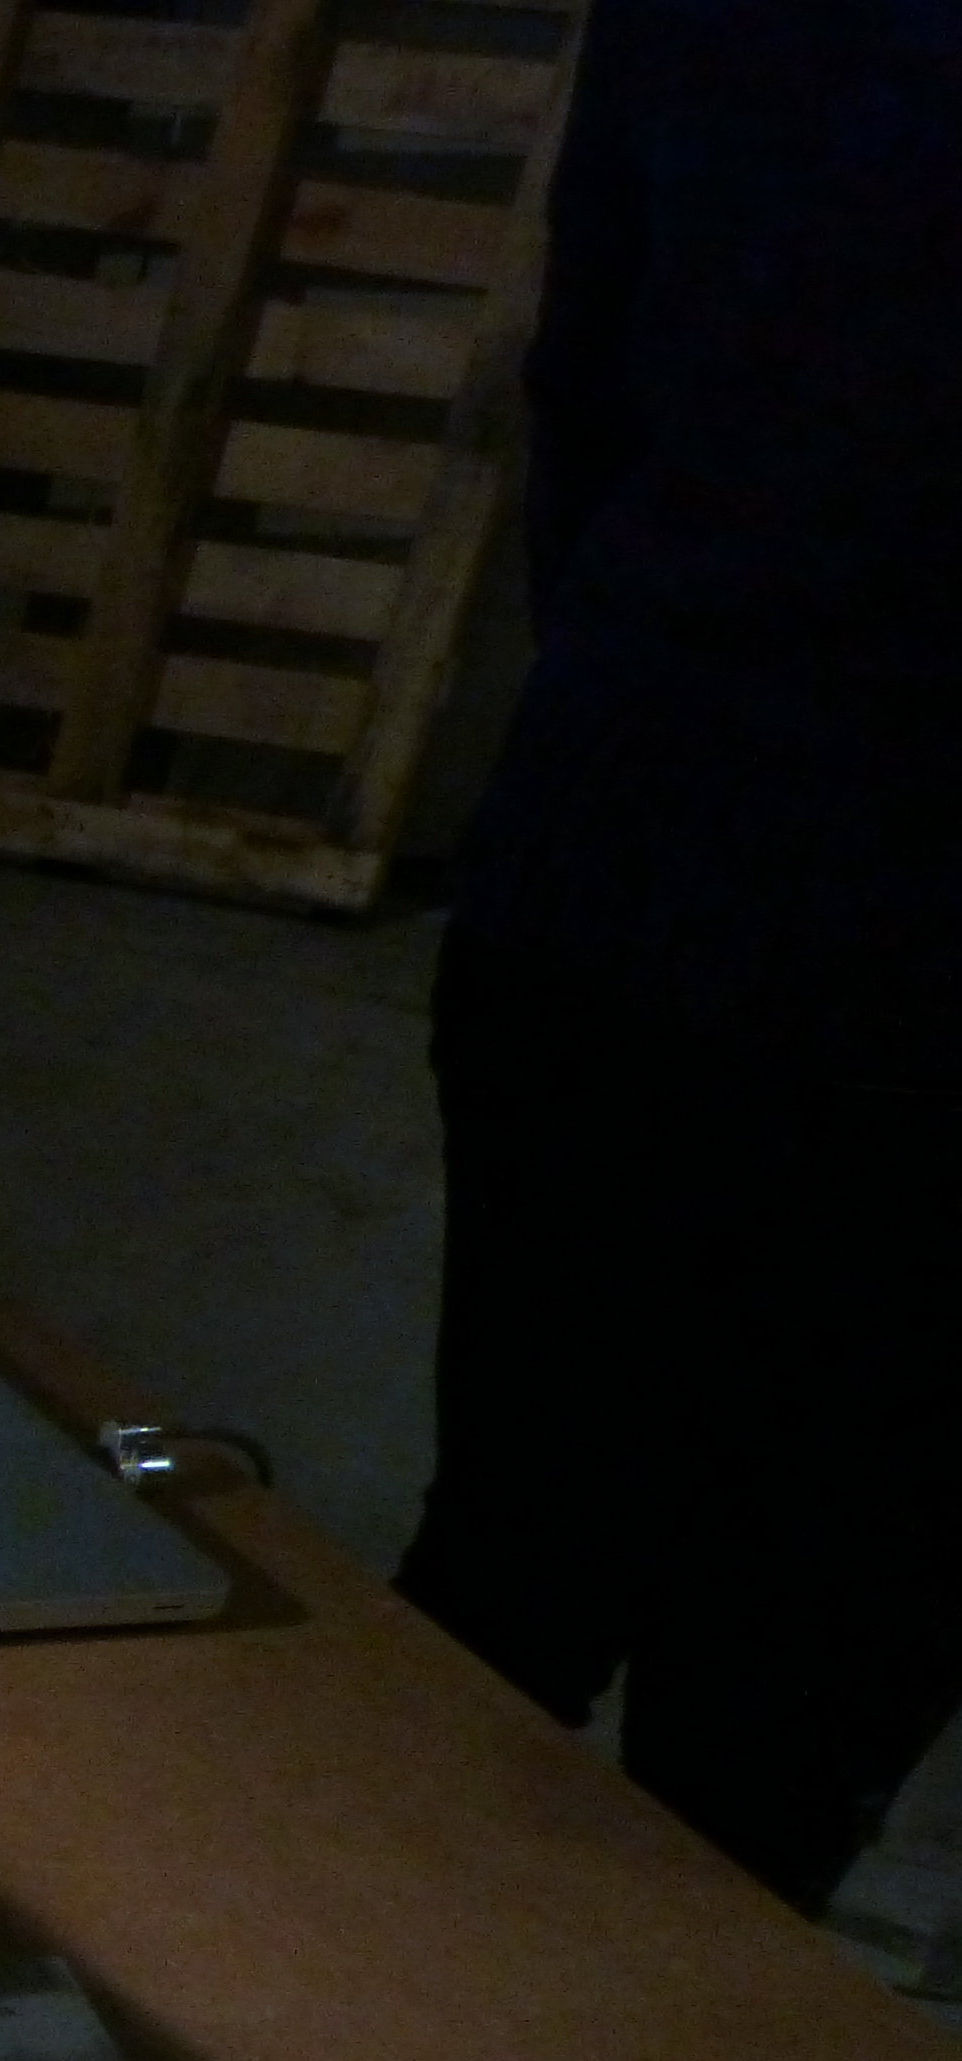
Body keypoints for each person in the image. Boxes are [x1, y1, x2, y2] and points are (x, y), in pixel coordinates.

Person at [388, 2, 962, 1913]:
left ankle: (347, 2055)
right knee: (785, 1673)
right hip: (836, 936)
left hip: (629, 849)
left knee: (519, 1561)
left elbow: (592, 396)